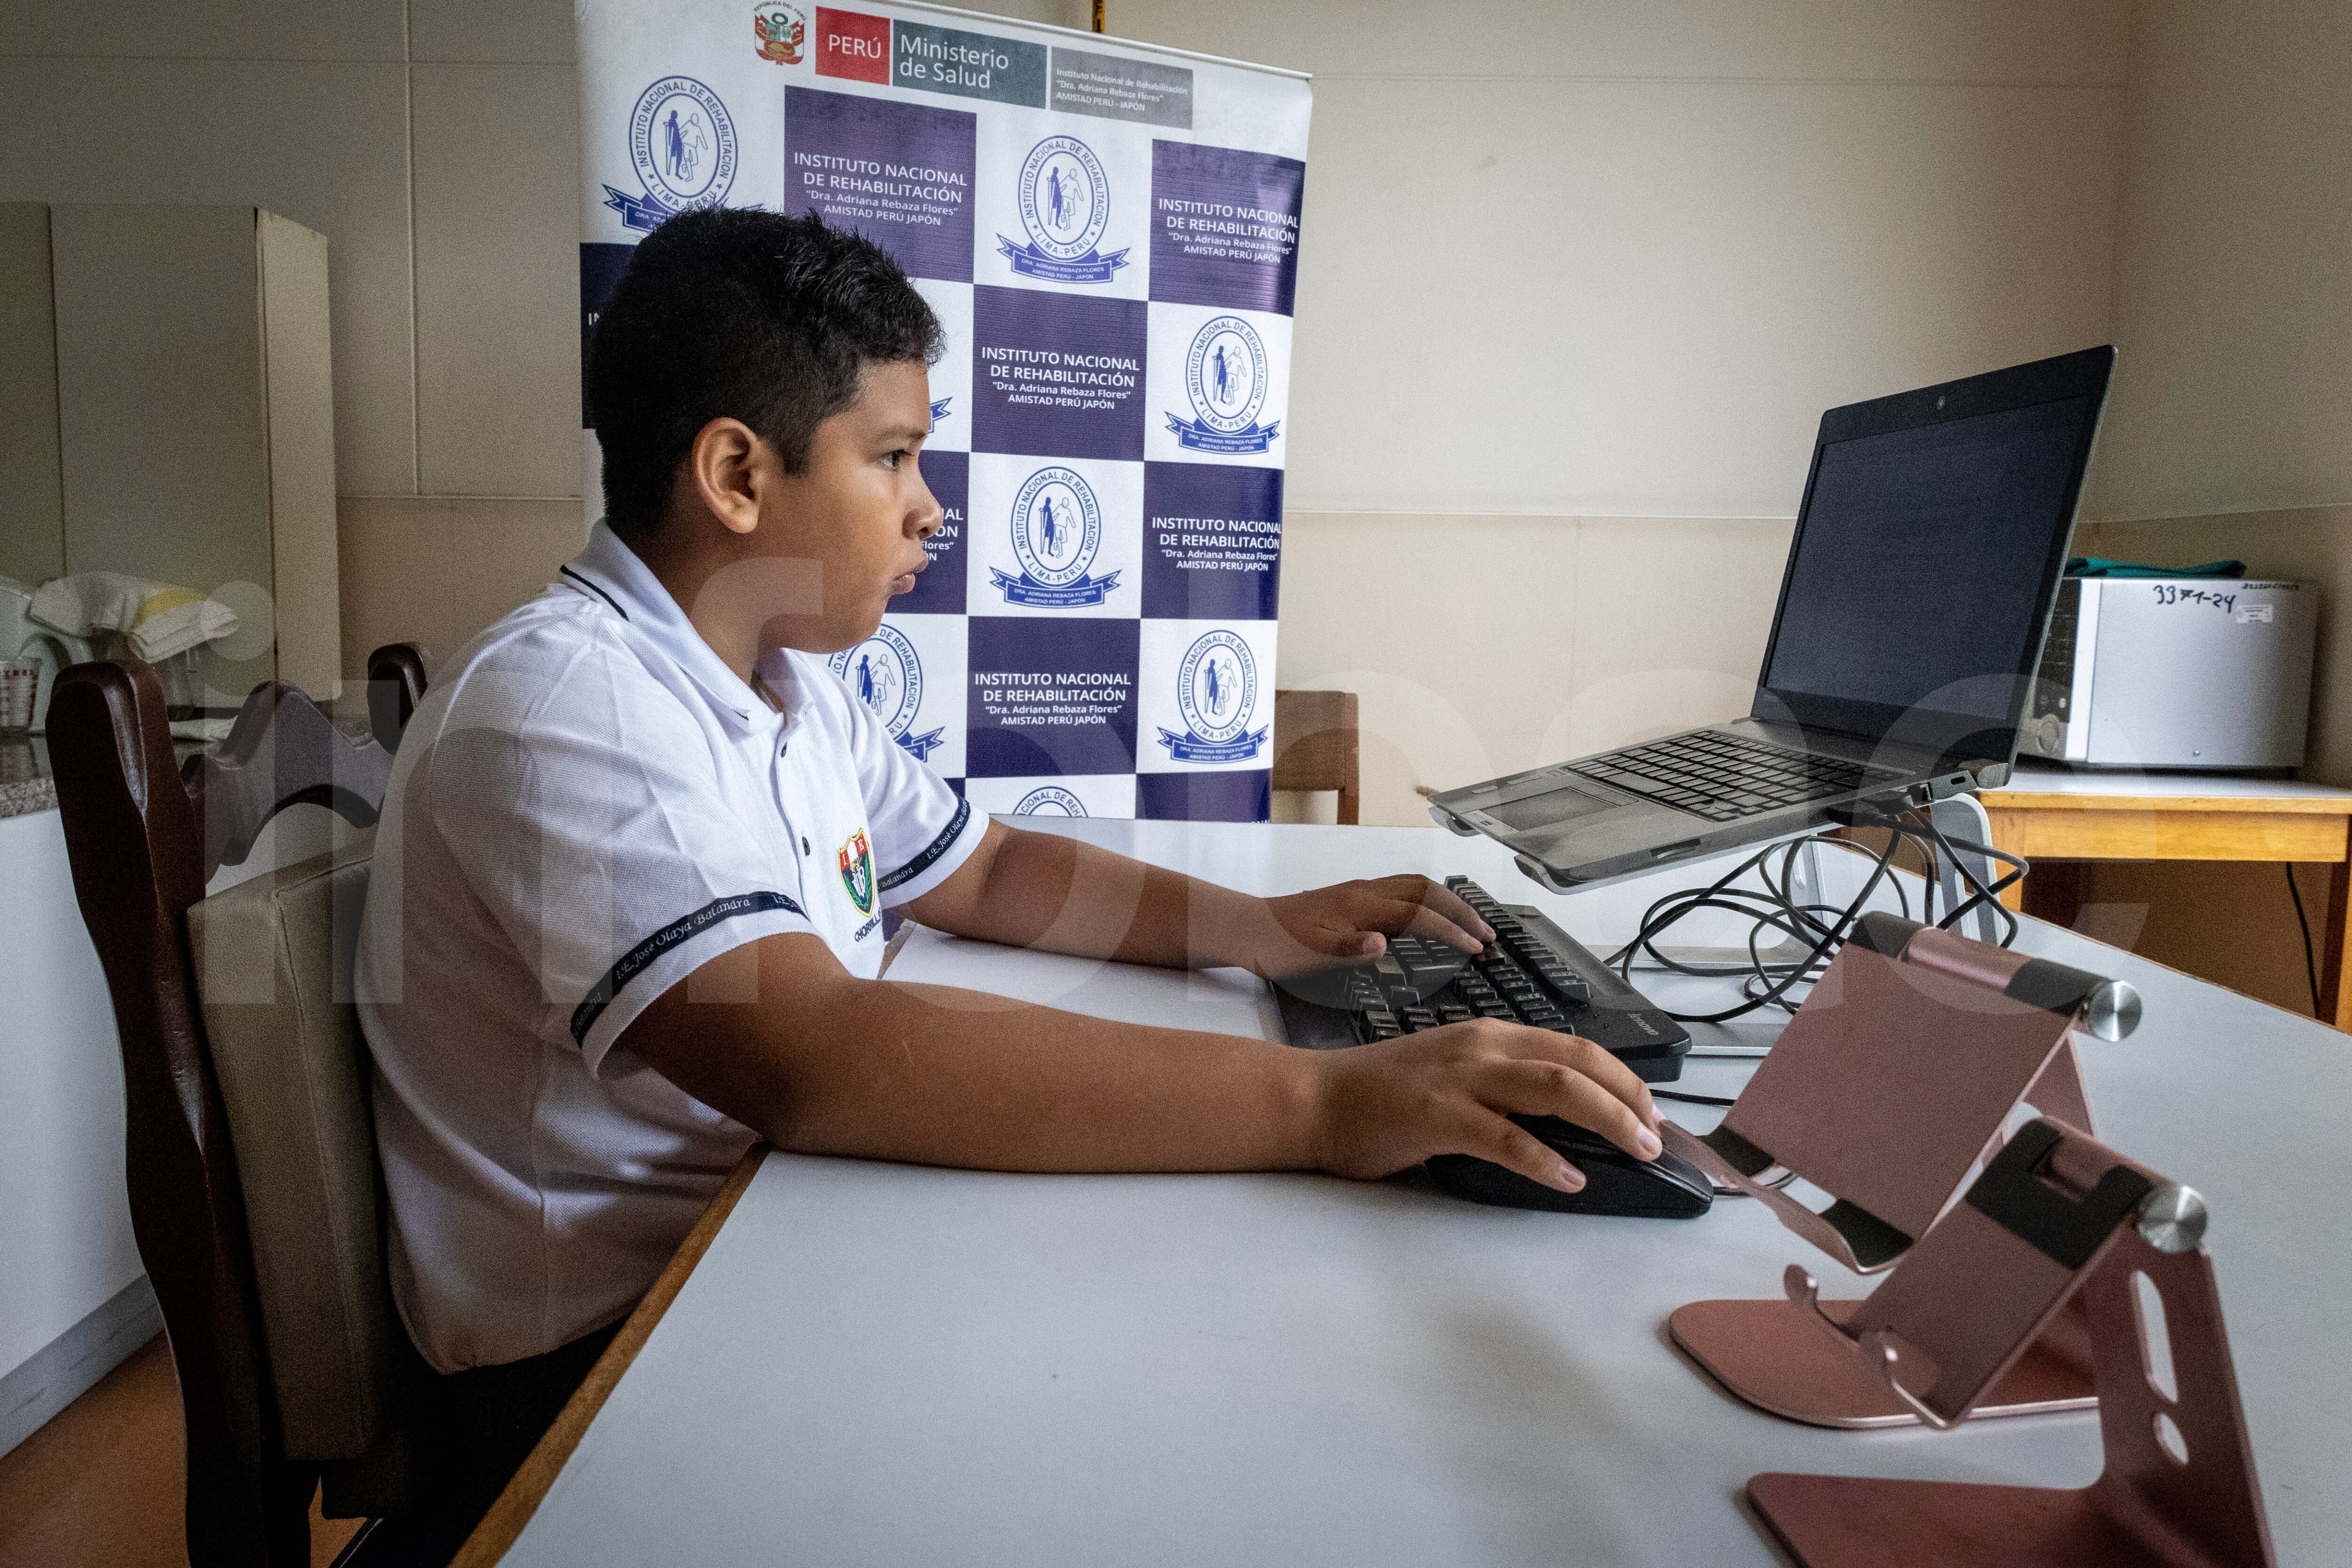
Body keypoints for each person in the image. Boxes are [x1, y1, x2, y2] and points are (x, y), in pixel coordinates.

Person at [356, 206, 1660, 1534]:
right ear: (738, 476)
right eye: (896, 457)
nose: (931, 508)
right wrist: (1324, 1107)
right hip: (595, 1361)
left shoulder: (776, 678)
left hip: (762, 1242)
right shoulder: (566, 705)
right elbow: (817, 1058)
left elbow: (982, 870)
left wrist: (1260, 931)